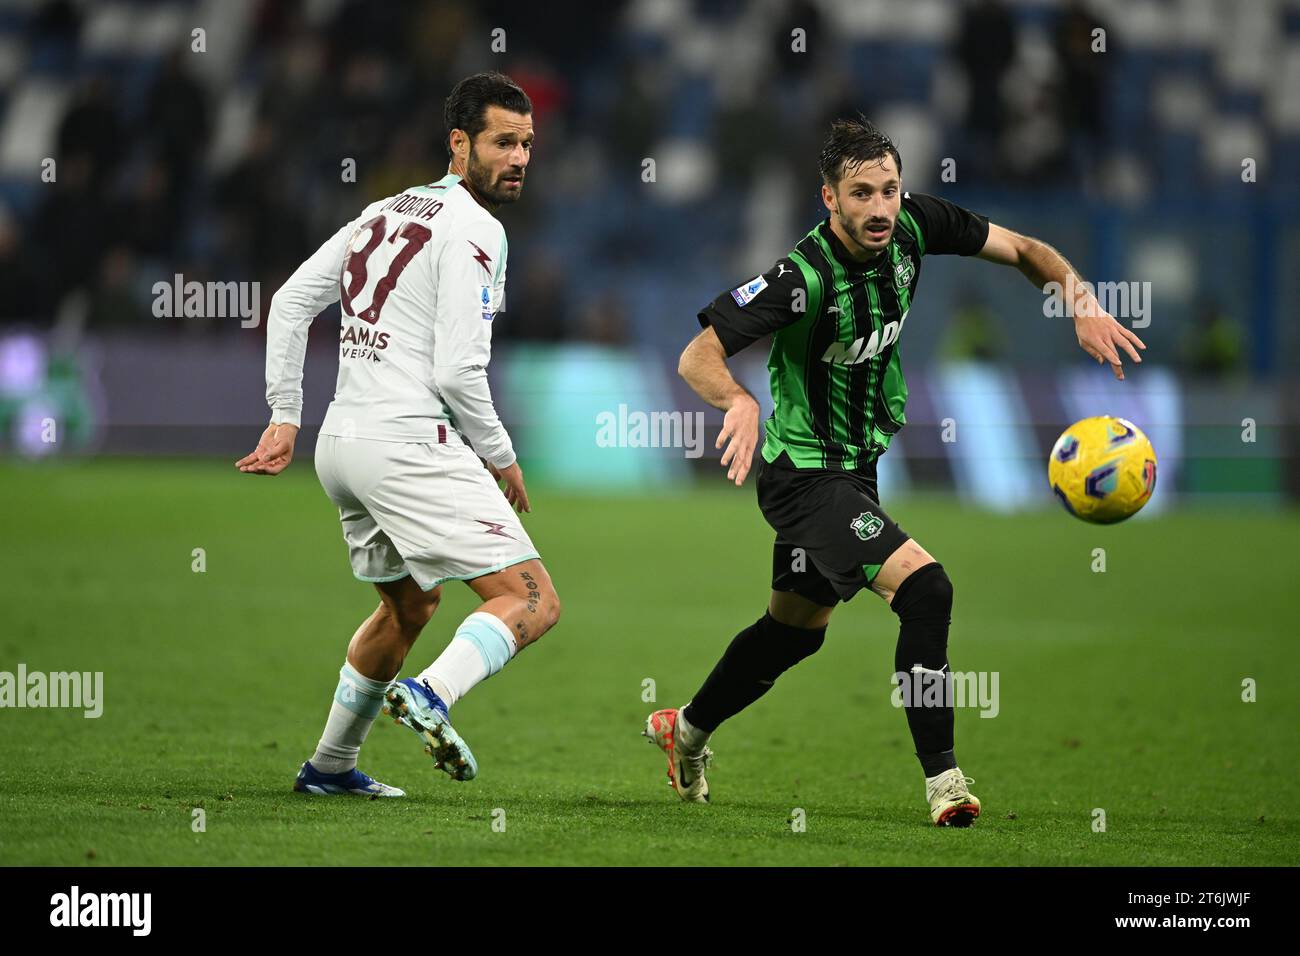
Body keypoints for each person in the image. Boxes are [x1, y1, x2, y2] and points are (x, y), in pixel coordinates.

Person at [648, 116, 1144, 826]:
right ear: (829, 198)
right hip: (806, 478)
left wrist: (1082, 304)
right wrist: (737, 401)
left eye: (889, 190)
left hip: (857, 467)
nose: (879, 208)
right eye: (861, 194)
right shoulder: (801, 277)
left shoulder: (914, 225)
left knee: (794, 629)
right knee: (926, 589)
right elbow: (698, 354)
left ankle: (687, 729)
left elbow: (1026, 250)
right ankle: (944, 780)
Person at [237, 72, 560, 797]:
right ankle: (433, 694)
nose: (519, 158)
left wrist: (285, 415)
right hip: (408, 442)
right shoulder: (479, 229)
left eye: (527, 144)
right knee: (532, 599)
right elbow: (457, 370)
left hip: (341, 447)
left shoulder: (380, 211)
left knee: (409, 603)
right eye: (503, 143)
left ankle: (329, 767)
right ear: (458, 143)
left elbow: (289, 304)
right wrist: (503, 458)